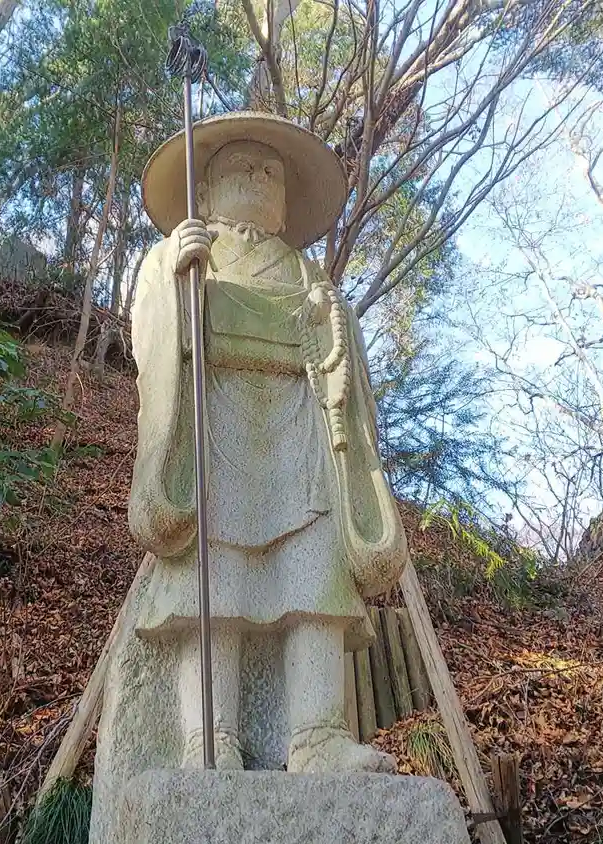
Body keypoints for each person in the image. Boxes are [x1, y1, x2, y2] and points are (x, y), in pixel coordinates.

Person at [125, 111, 409, 773]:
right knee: (213, 583)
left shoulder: (307, 274)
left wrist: (332, 326)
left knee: (315, 581)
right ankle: (209, 734)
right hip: (216, 434)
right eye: (244, 169)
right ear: (204, 191)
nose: (260, 179)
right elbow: (149, 333)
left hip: (298, 442)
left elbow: (338, 356)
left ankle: (317, 735)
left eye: (271, 174)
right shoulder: (181, 256)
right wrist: (179, 279)